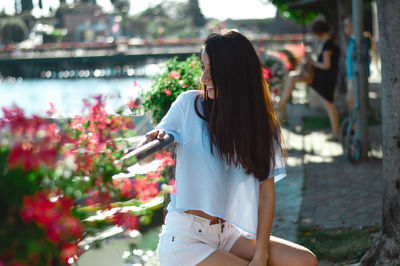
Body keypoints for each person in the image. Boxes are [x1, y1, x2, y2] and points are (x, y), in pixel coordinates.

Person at [142, 30, 318, 266]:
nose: (203, 77)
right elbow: (144, 159)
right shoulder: (188, 105)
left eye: (211, 70)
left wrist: (261, 255)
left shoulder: (260, 123)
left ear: (234, 74)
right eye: (202, 67)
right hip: (185, 238)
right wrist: (150, 141)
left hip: (228, 233)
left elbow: (266, 196)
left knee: (305, 261)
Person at [278, 19, 340, 141]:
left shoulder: (327, 44)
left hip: (324, 78)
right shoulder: (331, 42)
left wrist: (313, 62)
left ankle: (280, 105)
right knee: (330, 106)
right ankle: (335, 133)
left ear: (318, 32)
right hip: (326, 78)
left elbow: (326, 65)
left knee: (292, 77)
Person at [343, 17, 371, 108]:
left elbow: (364, 57)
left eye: (345, 26)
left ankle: (356, 121)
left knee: (353, 101)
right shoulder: (352, 39)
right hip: (352, 74)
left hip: (357, 75)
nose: (344, 29)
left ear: (352, 25)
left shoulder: (360, 40)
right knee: (351, 100)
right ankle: (355, 121)